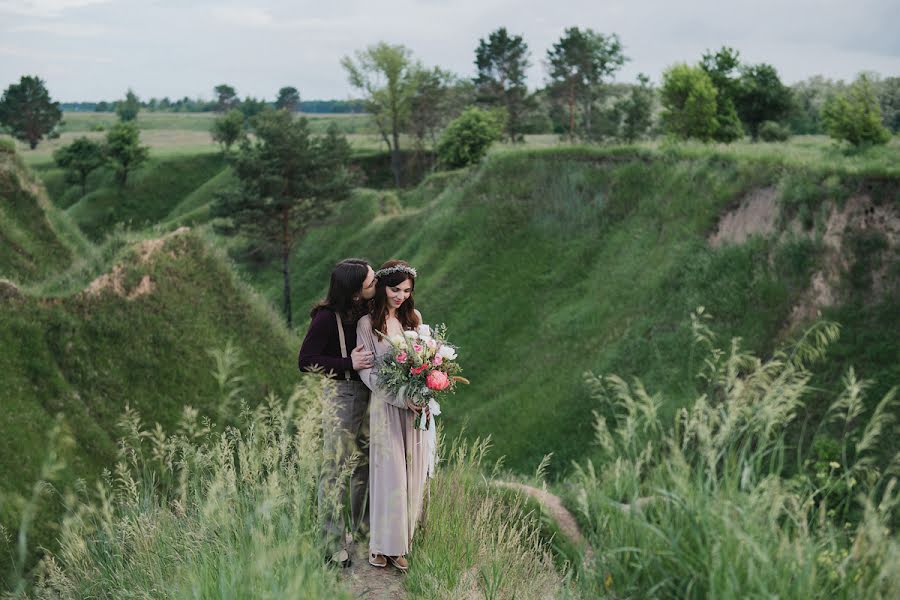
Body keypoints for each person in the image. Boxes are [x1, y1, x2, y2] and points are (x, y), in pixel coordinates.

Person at [298, 258, 377, 568]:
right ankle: (331, 545)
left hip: (369, 395)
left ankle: (363, 532)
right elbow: (305, 361)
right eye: (371, 283)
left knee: (365, 467)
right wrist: (348, 364)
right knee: (334, 470)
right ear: (355, 291)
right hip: (342, 395)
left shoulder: (366, 310)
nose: (376, 286)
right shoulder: (326, 318)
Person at [356, 259, 429, 572]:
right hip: (387, 407)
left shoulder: (414, 319)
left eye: (406, 290)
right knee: (390, 476)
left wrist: (424, 393)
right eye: (395, 289)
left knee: (412, 475)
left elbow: (426, 363)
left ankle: (401, 546)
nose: (400, 295)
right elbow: (369, 373)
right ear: (383, 287)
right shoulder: (367, 324)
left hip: (415, 410)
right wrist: (401, 397)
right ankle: (381, 545)